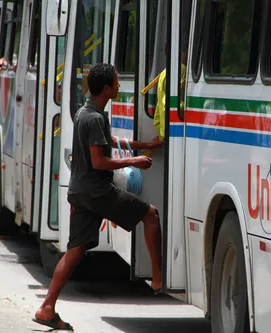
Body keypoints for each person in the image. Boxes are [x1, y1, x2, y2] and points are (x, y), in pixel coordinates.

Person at [33, 63, 163, 331]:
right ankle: (159, 279)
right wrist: (134, 161)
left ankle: (47, 307)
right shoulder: (93, 118)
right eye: (116, 83)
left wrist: (146, 146)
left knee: (74, 252)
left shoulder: (88, 113)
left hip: (80, 192)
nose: (119, 86)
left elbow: (108, 141)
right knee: (150, 215)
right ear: (106, 88)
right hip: (96, 191)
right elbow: (100, 161)